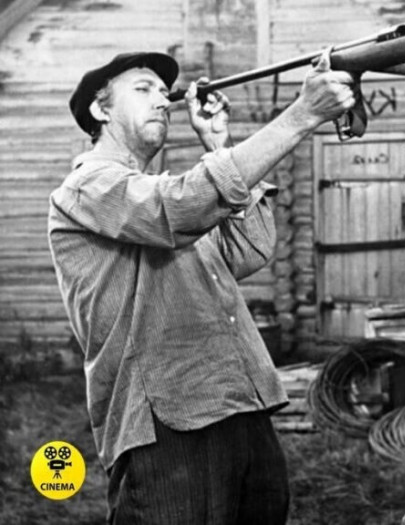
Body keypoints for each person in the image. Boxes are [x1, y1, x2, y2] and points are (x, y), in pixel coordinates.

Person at [48, 51, 356, 524]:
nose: (163, 100)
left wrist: (217, 145)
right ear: (99, 109)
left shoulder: (162, 195)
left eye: (163, 91)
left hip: (240, 404)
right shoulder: (86, 188)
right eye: (143, 89)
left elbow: (248, 250)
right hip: (169, 423)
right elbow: (179, 207)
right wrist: (302, 115)